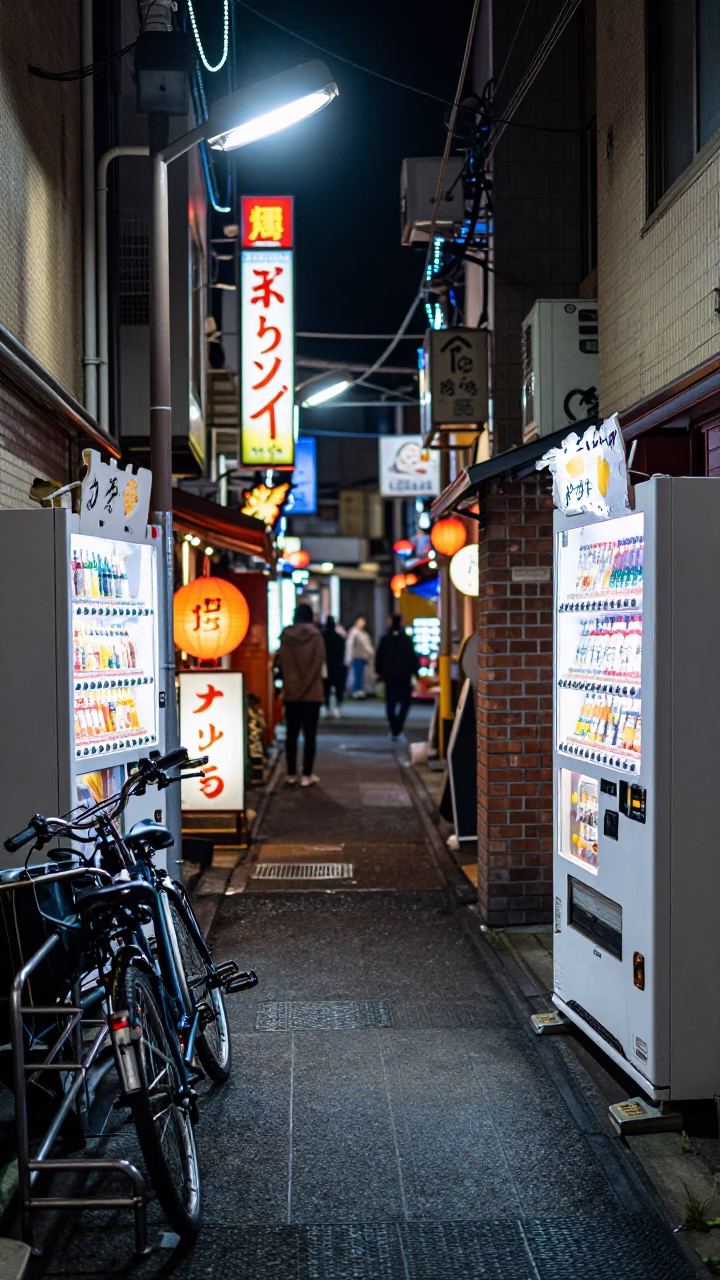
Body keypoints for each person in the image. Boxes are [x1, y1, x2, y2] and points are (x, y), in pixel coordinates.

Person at [275, 603, 325, 786]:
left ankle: (290, 774)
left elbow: (281, 663)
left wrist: (293, 686)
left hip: (291, 693)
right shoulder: (316, 636)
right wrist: (306, 686)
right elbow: (317, 664)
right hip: (312, 694)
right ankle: (306, 774)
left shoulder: (286, 636)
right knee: (310, 735)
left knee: (292, 734)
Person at [375, 614, 420, 741]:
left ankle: (394, 726)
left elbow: (379, 658)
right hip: (404, 676)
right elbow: (412, 657)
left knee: (390, 703)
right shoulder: (406, 639)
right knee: (405, 702)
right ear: (401, 622)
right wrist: (415, 673)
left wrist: (380, 672)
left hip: (389, 676)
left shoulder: (385, 638)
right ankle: (398, 727)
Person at [321, 616, 346, 718]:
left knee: (325, 688)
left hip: (325, 666)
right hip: (337, 665)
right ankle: (337, 708)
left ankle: (326, 707)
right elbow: (342, 653)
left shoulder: (321, 637)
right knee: (338, 688)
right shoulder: (339, 638)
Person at [345, 615, 375, 698]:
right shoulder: (354, 632)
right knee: (357, 674)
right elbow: (349, 645)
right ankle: (356, 690)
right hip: (357, 656)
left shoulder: (363, 633)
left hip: (364, 657)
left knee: (363, 675)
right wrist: (348, 657)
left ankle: (361, 690)